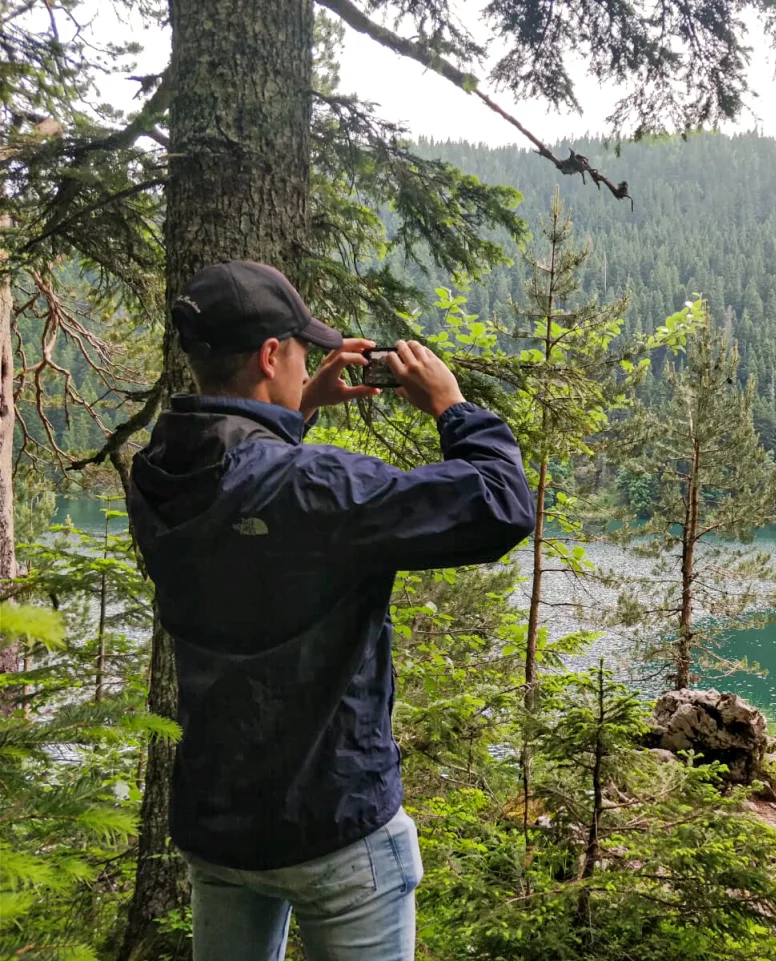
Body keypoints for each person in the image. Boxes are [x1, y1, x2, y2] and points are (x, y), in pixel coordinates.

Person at [128, 260, 535, 961]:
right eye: (300, 347)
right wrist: (452, 406)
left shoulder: (157, 473)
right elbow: (501, 503)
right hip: (337, 828)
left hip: (222, 828)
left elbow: (244, 502)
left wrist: (292, 414)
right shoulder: (317, 486)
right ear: (269, 356)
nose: (306, 358)